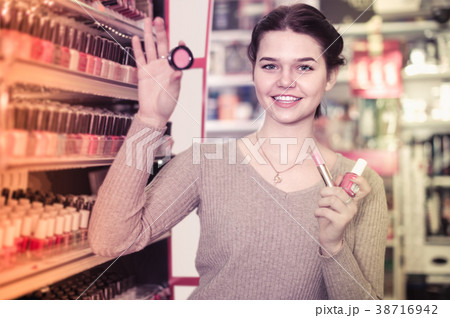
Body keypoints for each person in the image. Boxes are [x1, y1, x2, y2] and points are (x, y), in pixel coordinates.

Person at [89, 3, 388, 300]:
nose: (285, 80)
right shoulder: (206, 163)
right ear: (254, 71)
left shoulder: (359, 185)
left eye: (304, 67)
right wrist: (150, 119)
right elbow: (110, 241)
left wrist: (333, 248)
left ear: (331, 76)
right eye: (270, 65)